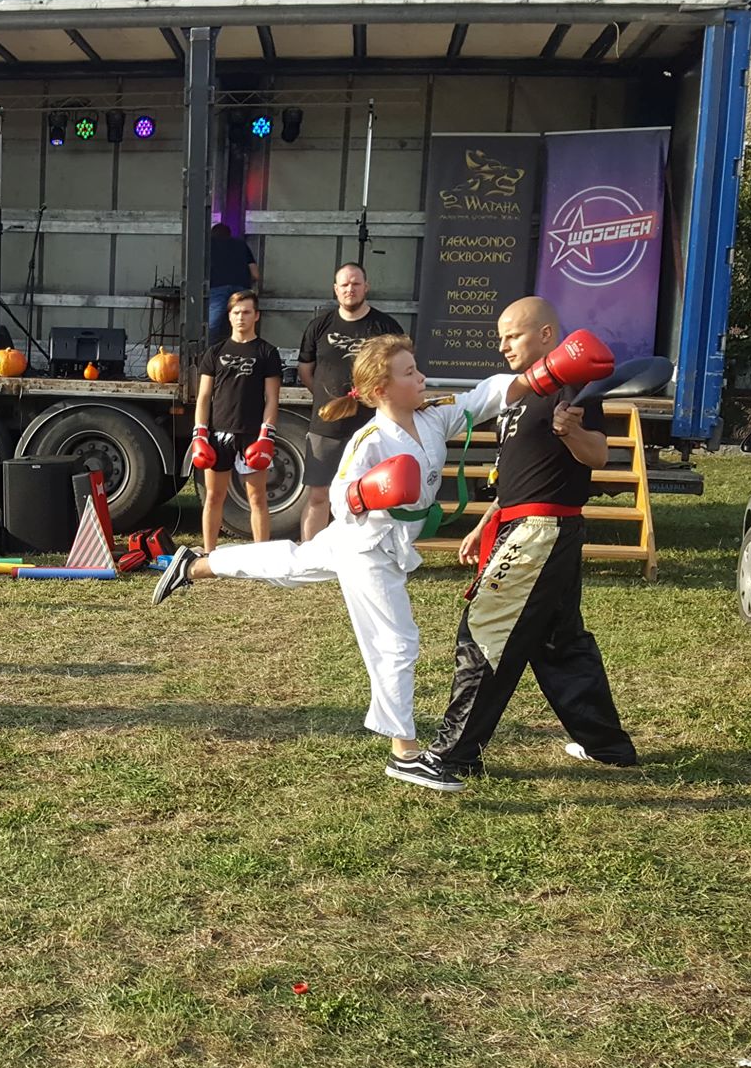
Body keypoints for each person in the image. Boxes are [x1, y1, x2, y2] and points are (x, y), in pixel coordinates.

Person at [154, 333, 528, 758]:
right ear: (382, 390)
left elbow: (485, 397)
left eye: (417, 369)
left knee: (292, 563)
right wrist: (368, 492)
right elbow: (339, 498)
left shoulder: (433, 418)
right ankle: (404, 751)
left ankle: (199, 564)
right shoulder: (370, 439)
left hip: (379, 541)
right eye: (410, 373)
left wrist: (543, 374)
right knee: (396, 642)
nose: (422, 378)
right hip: (366, 546)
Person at [390, 297, 637, 792]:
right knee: (559, 642)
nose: (503, 345)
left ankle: (452, 758)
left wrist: (571, 432)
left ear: (546, 335)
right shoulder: (520, 390)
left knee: (485, 631)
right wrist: (487, 522)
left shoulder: (572, 381)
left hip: (541, 530)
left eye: (513, 335)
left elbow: (598, 454)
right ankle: (606, 746)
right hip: (523, 525)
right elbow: (522, 470)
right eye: (500, 337)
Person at [298, 263, 405, 541]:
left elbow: (400, 371)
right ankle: (311, 554)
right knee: (318, 495)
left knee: (369, 496)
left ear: (366, 287)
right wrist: (329, 399)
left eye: (356, 283)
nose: (350, 289)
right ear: (336, 289)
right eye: (344, 284)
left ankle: (364, 552)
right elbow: (306, 371)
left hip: (371, 427)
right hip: (326, 427)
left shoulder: (386, 327)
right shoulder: (319, 326)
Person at [189, 290, 283, 550]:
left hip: (252, 434)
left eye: (247, 312)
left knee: (257, 497)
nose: (241, 317)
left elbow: (272, 398)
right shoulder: (215, 352)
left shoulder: (267, 352)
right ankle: (209, 554)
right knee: (213, 496)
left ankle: (261, 556)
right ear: (229, 316)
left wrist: (267, 434)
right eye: (236, 312)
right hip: (218, 434)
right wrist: (200, 433)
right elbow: (204, 396)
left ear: (256, 316)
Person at [205, 222, 259, 341]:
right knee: (243, 320)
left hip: (217, 286)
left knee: (212, 325)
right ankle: (243, 347)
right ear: (230, 234)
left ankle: (208, 349)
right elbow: (255, 274)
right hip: (241, 288)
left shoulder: (208, 245)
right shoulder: (241, 244)